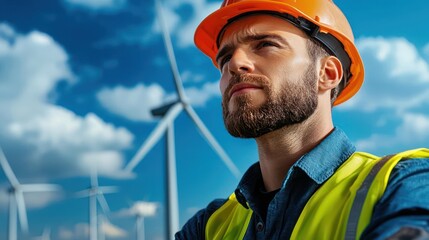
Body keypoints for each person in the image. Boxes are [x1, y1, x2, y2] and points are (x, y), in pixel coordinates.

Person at [176, 0, 429, 239]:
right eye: (224, 59)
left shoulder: (404, 184)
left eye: (265, 44)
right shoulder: (208, 226)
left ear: (327, 74)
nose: (234, 64)